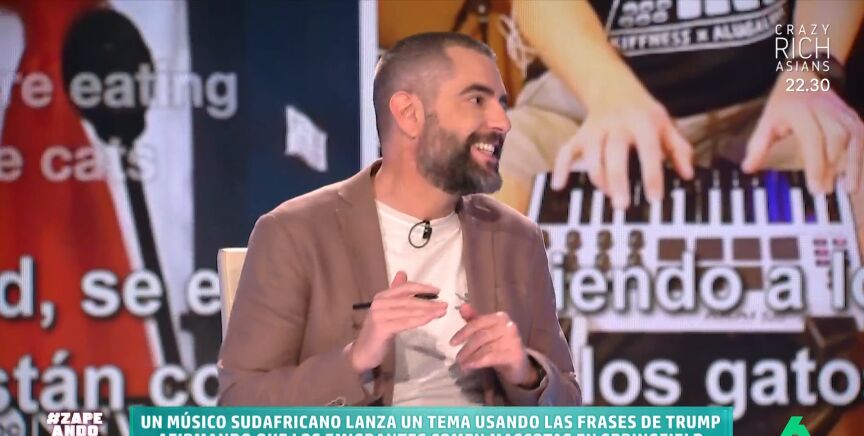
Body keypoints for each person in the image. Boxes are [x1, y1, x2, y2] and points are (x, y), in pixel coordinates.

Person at [217, 32, 581, 407]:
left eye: (502, 104)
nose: (503, 121)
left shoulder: (516, 237)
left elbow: (568, 400)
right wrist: (355, 359)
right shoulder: (295, 233)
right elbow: (241, 402)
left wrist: (525, 372)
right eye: (477, 100)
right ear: (409, 114)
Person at [495, 0, 864, 214]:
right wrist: (611, 93)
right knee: (484, 182)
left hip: (765, 109)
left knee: (854, 169)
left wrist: (809, 73)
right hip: (589, 103)